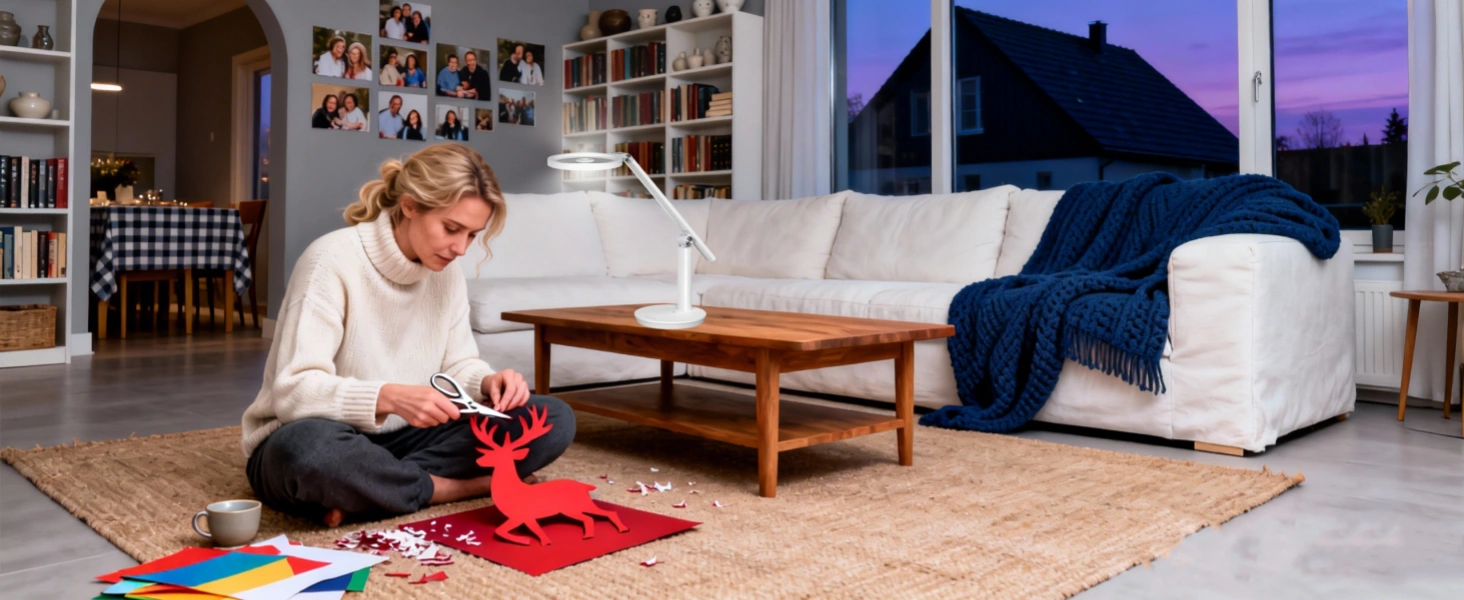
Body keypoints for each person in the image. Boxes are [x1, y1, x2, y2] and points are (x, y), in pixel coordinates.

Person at [241, 143, 574, 526]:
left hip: (409, 439)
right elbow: (292, 391)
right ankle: (456, 488)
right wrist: (387, 397)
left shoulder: (445, 274)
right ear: (411, 206)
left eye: (472, 235)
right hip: (313, 432)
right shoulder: (329, 261)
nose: (460, 248)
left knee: (554, 417)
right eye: (452, 229)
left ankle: (372, 489)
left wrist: (486, 381)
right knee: (311, 454)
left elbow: (457, 363)